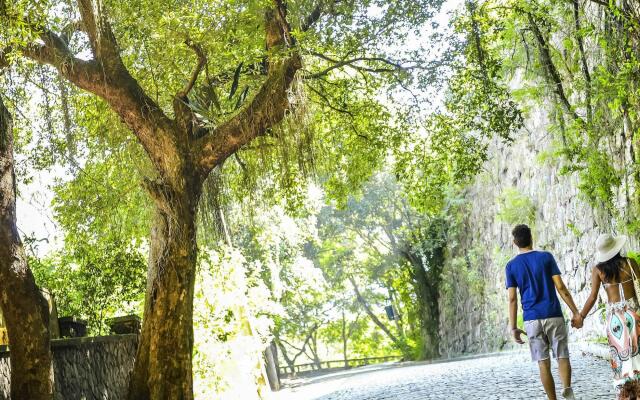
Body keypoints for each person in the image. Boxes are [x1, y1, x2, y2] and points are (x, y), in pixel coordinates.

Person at [506, 224, 579, 400]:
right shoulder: (546, 257)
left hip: (532, 320)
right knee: (562, 355)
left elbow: (512, 299)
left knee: (543, 362)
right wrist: (576, 312)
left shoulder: (511, 266)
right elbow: (560, 287)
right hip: (553, 314)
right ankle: (567, 389)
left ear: (515, 243)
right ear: (531, 238)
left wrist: (514, 327)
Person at [575, 233, 640, 395]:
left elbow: (592, 297)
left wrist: (581, 316)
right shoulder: (630, 263)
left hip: (615, 321)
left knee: (620, 357)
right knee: (637, 353)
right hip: (634, 314)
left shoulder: (598, 270)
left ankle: (626, 393)